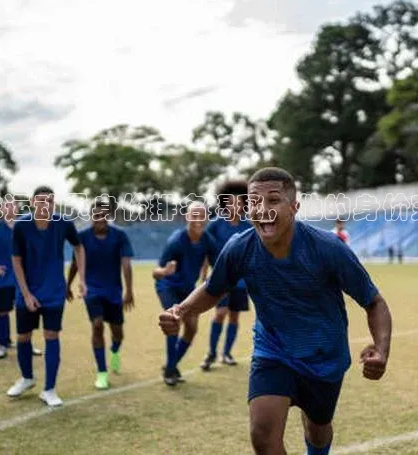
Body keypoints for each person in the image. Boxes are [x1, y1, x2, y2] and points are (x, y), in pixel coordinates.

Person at [159, 167, 392, 455]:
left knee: (317, 430)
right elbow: (212, 288)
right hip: (273, 351)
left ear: (294, 207)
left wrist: (381, 350)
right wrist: (181, 310)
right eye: (254, 201)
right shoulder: (239, 248)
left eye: (273, 201)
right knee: (263, 436)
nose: (263, 209)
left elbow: (374, 302)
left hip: (324, 355)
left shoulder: (327, 248)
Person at [6, 187, 86, 407]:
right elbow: (16, 260)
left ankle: (49, 389)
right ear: (32, 202)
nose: (45, 204)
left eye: (49, 201)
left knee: (52, 336)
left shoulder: (63, 223)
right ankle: (27, 378)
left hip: (53, 292)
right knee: (23, 337)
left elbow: (79, 247)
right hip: (27, 291)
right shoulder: (21, 225)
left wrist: (82, 279)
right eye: (41, 200)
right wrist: (26, 294)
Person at [67, 200, 134, 390]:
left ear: (108, 216)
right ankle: (102, 372)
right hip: (92, 289)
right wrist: (68, 285)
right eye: (96, 215)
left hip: (113, 291)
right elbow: (75, 263)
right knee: (97, 325)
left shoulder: (120, 236)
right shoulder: (82, 237)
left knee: (118, 333)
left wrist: (129, 290)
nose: (100, 218)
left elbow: (126, 264)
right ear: (91, 216)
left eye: (103, 214)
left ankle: (114, 352)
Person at [153, 201, 218, 386]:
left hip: (188, 288)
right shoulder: (176, 241)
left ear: (206, 218)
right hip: (168, 286)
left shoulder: (207, 240)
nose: (197, 219)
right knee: (174, 322)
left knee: (192, 328)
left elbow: (219, 265)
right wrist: (164, 272)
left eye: (201, 215)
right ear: (187, 217)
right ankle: (170, 371)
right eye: (193, 215)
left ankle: (170, 366)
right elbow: (156, 272)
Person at [0, 198, 42, 359]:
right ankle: (2, 346)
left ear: (18, 209)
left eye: (13, 205)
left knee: (26, 311)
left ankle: (28, 344)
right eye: (6, 205)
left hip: (24, 279)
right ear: (1, 210)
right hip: (3, 279)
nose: (10, 207)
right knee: (2, 313)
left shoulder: (25, 225)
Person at [201, 180, 251, 371]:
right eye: (231, 202)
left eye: (239, 202)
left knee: (234, 317)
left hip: (241, 281)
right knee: (220, 314)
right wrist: (204, 274)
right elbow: (206, 250)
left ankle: (227, 353)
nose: (235, 206)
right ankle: (211, 353)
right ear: (224, 203)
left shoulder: (248, 225)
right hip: (221, 278)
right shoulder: (215, 225)